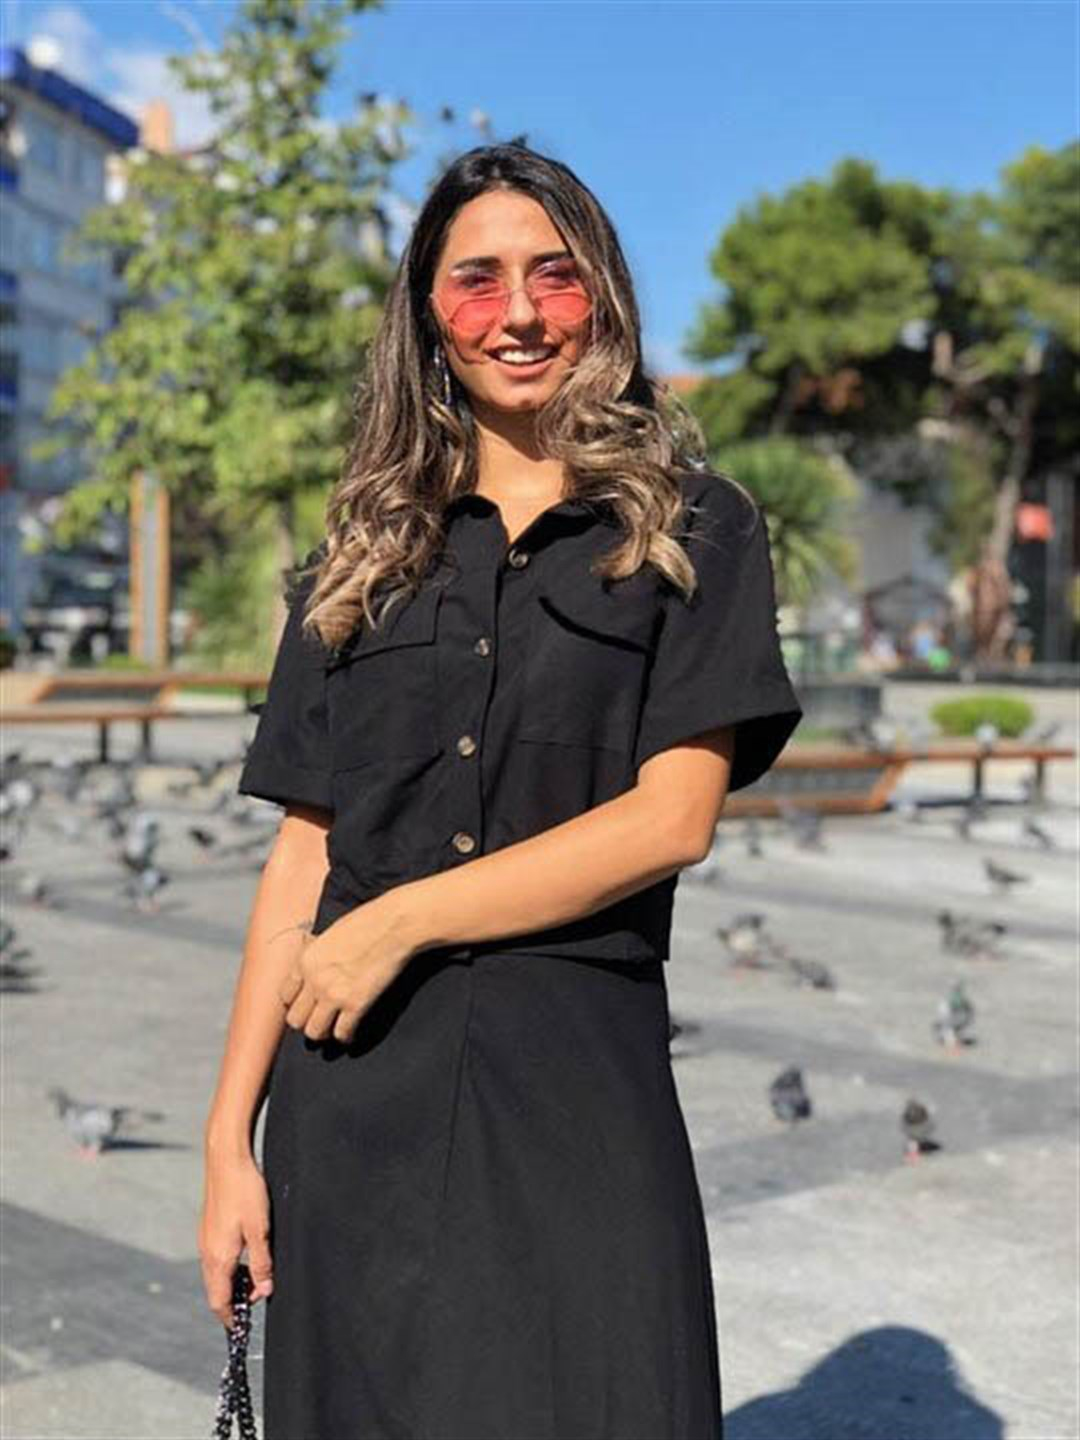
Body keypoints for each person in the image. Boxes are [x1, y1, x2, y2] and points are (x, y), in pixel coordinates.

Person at [199, 141, 803, 1440]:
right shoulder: (361, 554)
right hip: (351, 1102)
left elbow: (672, 818)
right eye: (477, 280)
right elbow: (303, 850)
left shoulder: (694, 527)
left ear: (603, 297)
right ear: (429, 316)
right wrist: (226, 1144)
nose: (519, 313)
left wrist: (403, 919)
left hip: (576, 1095)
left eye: (553, 276)